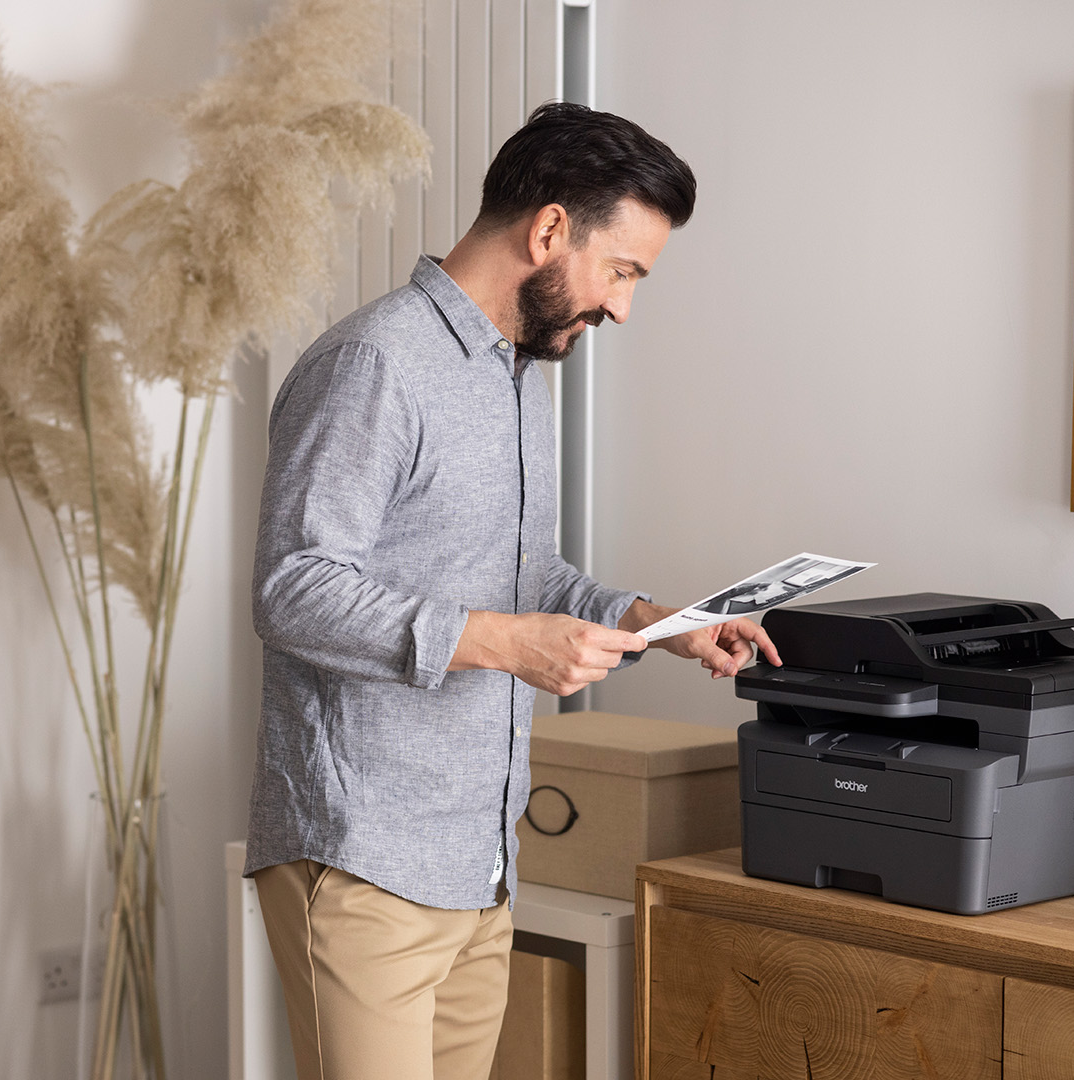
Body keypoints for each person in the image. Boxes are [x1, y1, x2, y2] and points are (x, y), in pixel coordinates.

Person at [243, 102, 781, 1080]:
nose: (623, 307)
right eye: (622, 271)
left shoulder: (518, 377)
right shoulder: (374, 366)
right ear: (547, 232)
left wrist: (651, 622)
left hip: (479, 864)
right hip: (364, 858)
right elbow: (292, 589)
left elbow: (522, 574)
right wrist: (504, 643)